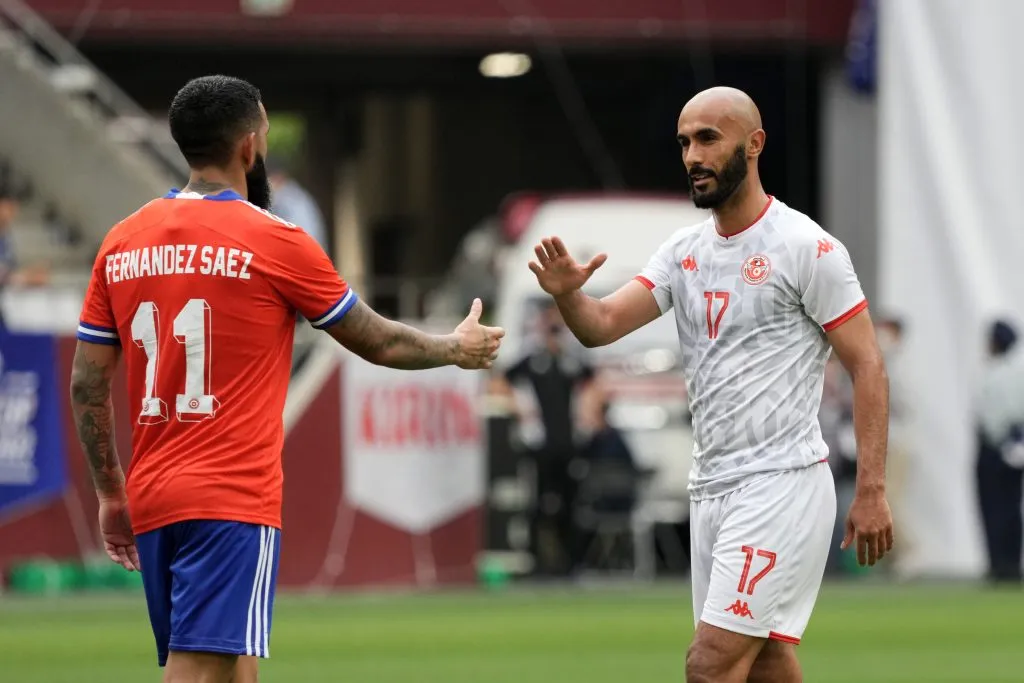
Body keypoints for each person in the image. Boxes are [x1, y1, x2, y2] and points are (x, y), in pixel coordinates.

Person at [68, 75, 503, 683]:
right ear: (249, 146)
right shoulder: (275, 239)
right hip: (228, 497)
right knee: (199, 667)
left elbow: (87, 386)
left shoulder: (123, 240)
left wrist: (112, 493)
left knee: (233, 665)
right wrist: (455, 348)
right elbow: (376, 339)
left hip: (154, 494)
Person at [527, 86, 893, 682]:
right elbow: (600, 326)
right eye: (683, 142)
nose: (692, 156)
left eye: (707, 139)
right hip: (712, 489)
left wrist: (872, 487)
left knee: (710, 664)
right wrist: (569, 294)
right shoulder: (683, 251)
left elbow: (869, 365)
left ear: (754, 145)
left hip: (780, 483)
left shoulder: (807, 247)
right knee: (766, 664)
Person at [499, 302, 594, 575]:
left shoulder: (571, 361)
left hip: (569, 444)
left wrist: (587, 412)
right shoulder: (532, 360)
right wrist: (519, 409)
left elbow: (594, 384)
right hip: (539, 445)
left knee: (571, 504)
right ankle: (537, 562)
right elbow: (501, 381)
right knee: (537, 503)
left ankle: (572, 563)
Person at [975, 319, 1024, 583]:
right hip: (1002, 447)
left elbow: (999, 416)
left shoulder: (1003, 372)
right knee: (1003, 508)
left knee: (1000, 508)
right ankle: (1004, 563)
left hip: (1001, 447)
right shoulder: (1006, 369)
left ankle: (1003, 565)